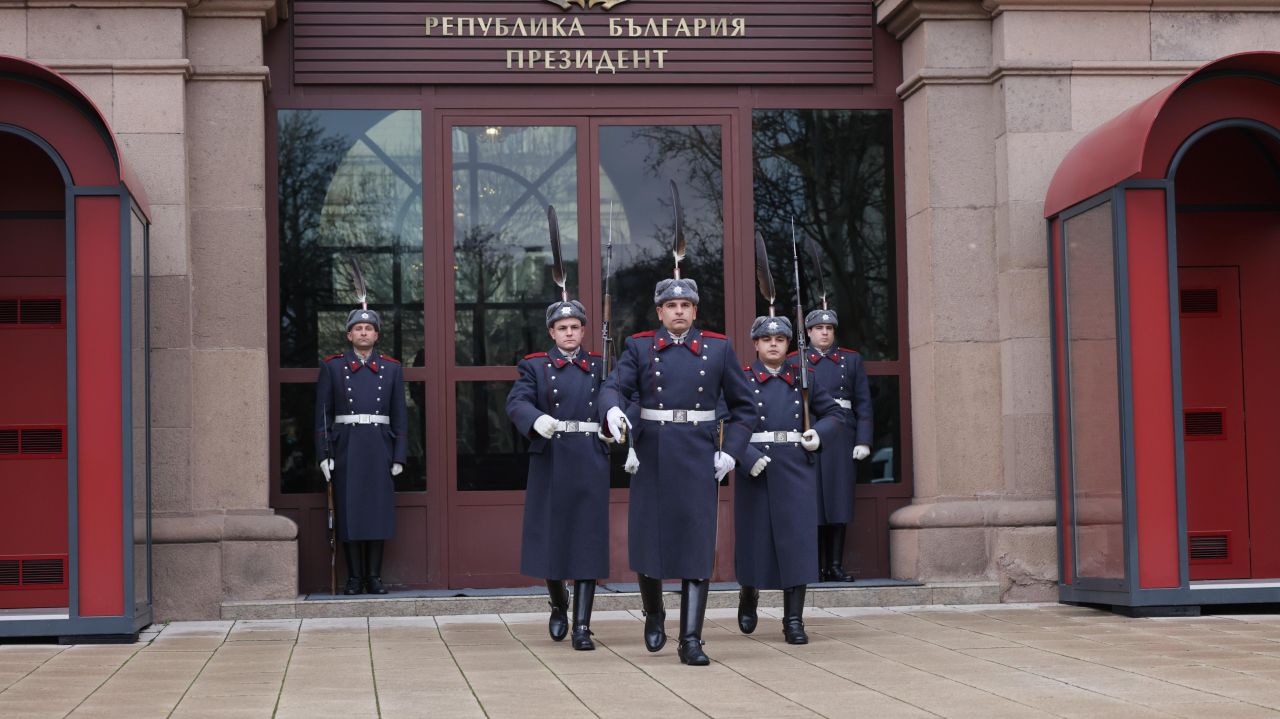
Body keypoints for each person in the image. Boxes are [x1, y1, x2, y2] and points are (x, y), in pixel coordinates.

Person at [600, 277, 757, 666]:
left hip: (699, 451)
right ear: (660, 312)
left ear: (695, 310)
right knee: (649, 539)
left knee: (696, 543)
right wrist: (612, 409)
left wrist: (732, 452)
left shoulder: (718, 349)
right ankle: (654, 613)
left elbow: (745, 408)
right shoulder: (639, 346)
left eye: (686, 305)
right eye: (671, 306)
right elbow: (612, 387)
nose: (679, 311)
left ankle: (691, 639)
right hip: (652, 450)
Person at [506, 299, 612, 651]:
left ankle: (582, 626)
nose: (569, 333)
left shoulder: (599, 365)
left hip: (590, 457)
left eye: (575, 327)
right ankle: (558, 604)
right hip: (551, 456)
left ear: (583, 330)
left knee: (587, 540)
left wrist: (614, 425)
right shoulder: (536, 366)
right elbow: (516, 401)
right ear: (552, 332)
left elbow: (616, 401)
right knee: (553, 536)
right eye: (562, 328)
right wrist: (534, 418)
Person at [735, 315, 847, 644]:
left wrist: (818, 433)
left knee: (797, 543)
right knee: (754, 539)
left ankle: (794, 619)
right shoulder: (741, 379)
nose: (773, 344)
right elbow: (724, 423)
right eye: (767, 339)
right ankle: (748, 594)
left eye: (780, 339)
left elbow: (836, 414)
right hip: (756, 466)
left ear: (788, 345)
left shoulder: (805, 377)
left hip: (796, 464)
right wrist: (746, 457)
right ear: (755, 344)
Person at [315, 308, 407, 595]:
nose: (363, 332)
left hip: (379, 444)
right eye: (358, 329)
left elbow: (400, 415)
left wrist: (399, 455)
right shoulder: (333, 367)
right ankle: (354, 578)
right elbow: (322, 415)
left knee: (377, 512)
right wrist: (324, 454)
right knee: (350, 512)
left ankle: (374, 578)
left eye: (369, 328)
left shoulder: (392, 368)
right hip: (347, 445)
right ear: (349, 335)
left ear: (377, 335)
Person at [798, 309, 873, 582]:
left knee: (838, 501)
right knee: (813, 502)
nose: (825, 332)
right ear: (808, 332)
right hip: (813, 430)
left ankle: (835, 566)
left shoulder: (850, 360)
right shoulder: (798, 360)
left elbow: (863, 403)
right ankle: (814, 567)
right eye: (818, 328)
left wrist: (863, 439)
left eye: (829, 328)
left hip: (842, 433)